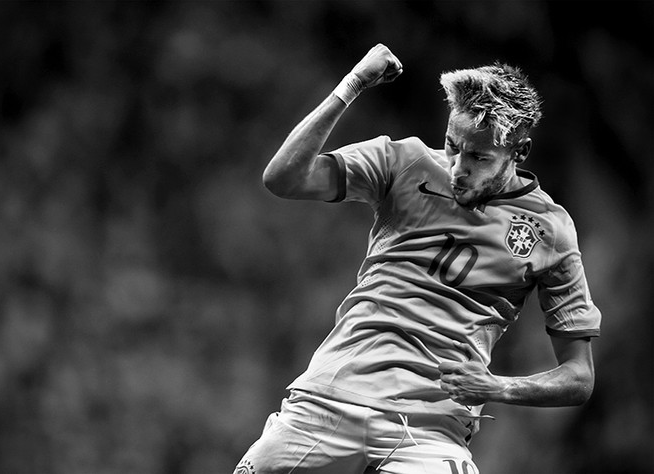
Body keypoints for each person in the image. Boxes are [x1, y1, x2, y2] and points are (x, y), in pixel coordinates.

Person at [234, 44, 601, 474]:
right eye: (452, 146)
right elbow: (284, 178)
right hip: (328, 400)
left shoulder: (551, 230)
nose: (458, 167)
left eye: (479, 157)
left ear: (519, 152)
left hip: (429, 430)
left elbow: (578, 377)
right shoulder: (403, 160)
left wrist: (498, 386)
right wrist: (353, 84)